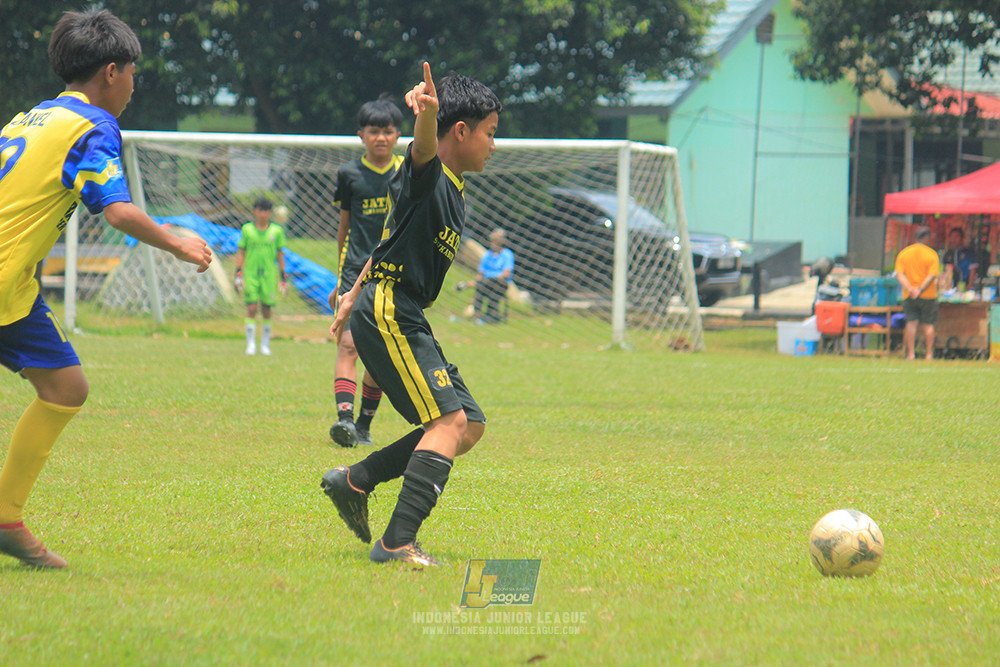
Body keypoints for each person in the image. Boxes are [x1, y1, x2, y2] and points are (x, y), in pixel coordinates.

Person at [0, 8, 213, 569]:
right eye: (134, 73)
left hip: (12, 291)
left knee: (66, 387)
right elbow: (116, 212)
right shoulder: (92, 125)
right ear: (112, 72)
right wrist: (179, 241)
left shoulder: (30, 118)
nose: (135, 85)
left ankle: (5, 518)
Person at [321, 63, 501, 566]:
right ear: (459, 131)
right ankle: (396, 542)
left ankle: (356, 480)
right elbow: (423, 148)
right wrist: (427, 114)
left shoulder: (455, 189)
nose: (494, 144)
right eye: (490, 133)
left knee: (470, 425)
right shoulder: (431, 173)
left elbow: (386, 242)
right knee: (448, 420)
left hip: (399, 309)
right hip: (391, 309)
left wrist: (352, 293)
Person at [328, 97, 404, 448]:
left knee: (379, 353)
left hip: (395, 274)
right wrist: (339, 277)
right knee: (348, 345)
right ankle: (344, 421)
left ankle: (364, 424)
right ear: (362, 135)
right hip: (354, 271)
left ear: (398, 135)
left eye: (388, 131)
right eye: (374, 131)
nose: (381, 138)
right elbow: (344, 229)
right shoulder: (349, 174)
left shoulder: (409, 170)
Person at [235, 197, 288, 356]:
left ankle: (265, 345)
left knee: (266, 309)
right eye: (260, 210)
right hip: (251, 274)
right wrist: (238, 272)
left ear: (270, 213)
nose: (263, 214)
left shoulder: (276, 231)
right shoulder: (247, 230)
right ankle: (250, 344)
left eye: (266, 210)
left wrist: (283, 277)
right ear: (254, 211)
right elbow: (242, 251)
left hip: (269, 275)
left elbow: (280, 254)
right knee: (251, 308)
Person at [895, 226, 940, 360]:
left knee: (911, 323)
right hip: (928, 295)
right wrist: (920, 289)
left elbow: (900, 274)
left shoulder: (904, 253)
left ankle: (910, 354)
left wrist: (910, 288)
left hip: (909, 295)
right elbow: (932, 275)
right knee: (928, 324)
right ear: (926, 238)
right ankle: (929, 354)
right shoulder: (931, 254)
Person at [468, 228, 515, 324]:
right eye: (493, 240)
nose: (493, 242)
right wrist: (475, 283)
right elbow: (480, 274)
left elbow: (506, 273)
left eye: (496, 240)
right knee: (481, 286)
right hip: (485, 283)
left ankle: (491, 315)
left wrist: (489, 279)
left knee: (490, 285)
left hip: (500, 283)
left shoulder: (507, 254)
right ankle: (478, 316)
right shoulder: (487, 255)